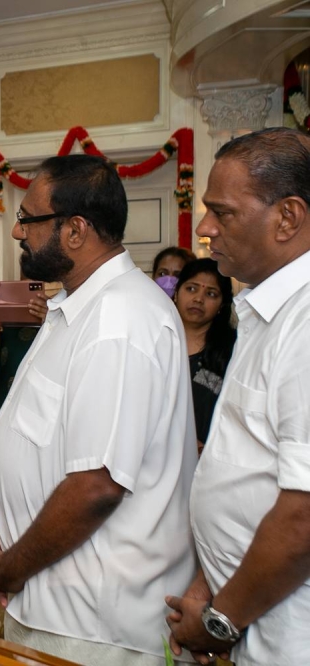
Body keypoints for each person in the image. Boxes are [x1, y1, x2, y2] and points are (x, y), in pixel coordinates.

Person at [0, 154, 197, 665]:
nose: (17, 234)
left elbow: (96, 486)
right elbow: (46, 446)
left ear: (74, 230)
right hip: (58, 607)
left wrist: (8, 569)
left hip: (96, 625)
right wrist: (4, 527)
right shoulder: (78, 307)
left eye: (28, 219)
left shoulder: (119, 316)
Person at [165, 127, 310, 666]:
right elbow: (246, 470)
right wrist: (209, 582)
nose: (204, 229)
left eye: (221, 213)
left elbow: (303, 515)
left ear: (287, 217)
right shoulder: (263, 312)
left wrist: (223, 620)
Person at [171, 258, 236, 454]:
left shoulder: (232, 352)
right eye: (191, 289)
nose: (199, 299)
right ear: (176, 293)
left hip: (209, 462)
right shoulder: (154, 341)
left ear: (221, 305)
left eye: (211, 293)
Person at [0, 277, 48, 419]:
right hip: (6, 423)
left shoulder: (62, 314)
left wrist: (52, 322)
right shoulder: (5, 327)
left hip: (44, 423)